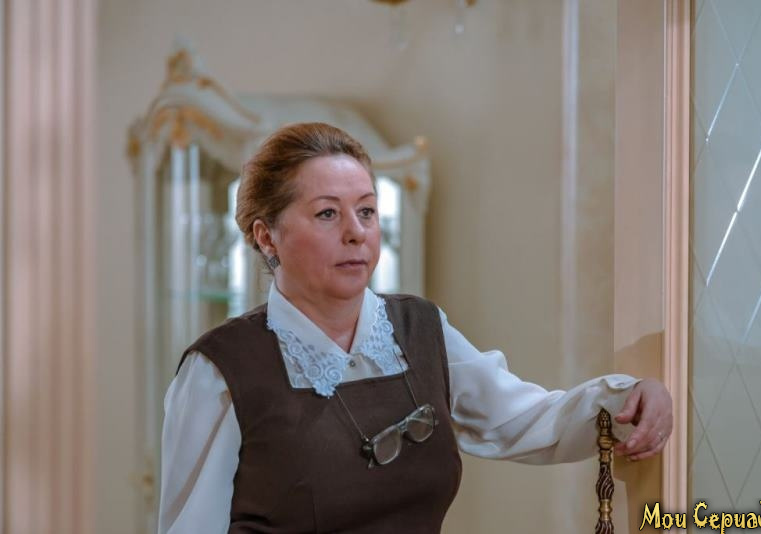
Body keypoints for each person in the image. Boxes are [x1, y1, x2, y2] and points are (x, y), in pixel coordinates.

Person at [158, 122, 673, 534]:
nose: (356, 233)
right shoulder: (220, 369)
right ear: (267, 237)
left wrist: (627, 399)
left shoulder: (420, 329)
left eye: (366, 211)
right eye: (327, 214)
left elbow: (524, 420)